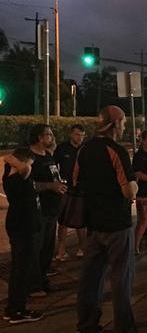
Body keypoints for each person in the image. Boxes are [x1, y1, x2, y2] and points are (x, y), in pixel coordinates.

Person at [75, 105, 138, 333]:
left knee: (90, 278)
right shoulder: (116, 151)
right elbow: (128, 191)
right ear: (113, 124)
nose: (124, 127)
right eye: (122, 122)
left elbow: (75, 183)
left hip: (93, 224)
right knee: (121, 278)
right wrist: (136, 185)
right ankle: (124, 327)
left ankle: (87, 324)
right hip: (117, 226)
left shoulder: (84, 150)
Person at [2, 149, 44, 324]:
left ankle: (14, 308)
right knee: (22, 268)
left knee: (20, 267)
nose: (31, 167)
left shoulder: (14, 176)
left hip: (22, 224)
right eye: (30, 163)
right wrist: (12, 159)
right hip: (23, 226)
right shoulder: (17, 176)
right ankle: (17, 310)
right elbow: (25, 169)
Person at [28, 124, 67, 297]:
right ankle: (33, 285)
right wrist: (51, 186)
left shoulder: (48, 156)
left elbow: (54, 176)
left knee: (47, 249)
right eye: (48, 134)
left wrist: (59, 185)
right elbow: (29, 185)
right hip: (38, 211)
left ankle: (43, 280)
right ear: (39, 137)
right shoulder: (29, 158)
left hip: (52, 209)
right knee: (36, 249)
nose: (51, 137)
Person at [54, 124, 87, 261]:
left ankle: (82, 247)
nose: (79, 137)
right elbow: (54, 166)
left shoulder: (86, 149)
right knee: (63, 220)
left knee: (81, 220)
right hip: (66, 188)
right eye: (77, 134)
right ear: (71, 134)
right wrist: (57, 182)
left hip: (82, 188)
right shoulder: (62, 148)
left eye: (82, 135)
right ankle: (61, 250)